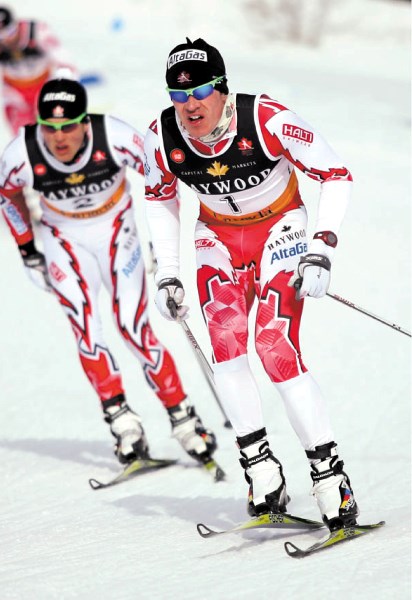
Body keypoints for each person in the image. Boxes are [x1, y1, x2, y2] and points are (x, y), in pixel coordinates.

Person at [143, 37, 359, 531]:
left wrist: (321, 247)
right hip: (216, 234)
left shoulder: (265, 119)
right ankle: (262, 473)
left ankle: (331, 481)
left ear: (221, 87)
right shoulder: (161, 136)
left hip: (281, 227)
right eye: (178, 95)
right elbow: (159, 198)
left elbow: (337, 174)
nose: (189, 104)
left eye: (199, 91)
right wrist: (170, 271)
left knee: (274, 348)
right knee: (227, 350)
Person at [0, 75, 218, 469]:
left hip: (118, 234)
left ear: (85, 121)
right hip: (64, 241)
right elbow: (6, 194)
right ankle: (123, 422)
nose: (60, 138)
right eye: (50, 128)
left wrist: (157, 240)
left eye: (69, 126)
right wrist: (29, 251)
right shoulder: (21, 153)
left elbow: (159, 175)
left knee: (134, 329)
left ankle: (183, 418)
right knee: (85, 330)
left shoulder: (114, 135)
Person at [0, 6, 76, 135]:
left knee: (53, 131)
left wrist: (65, 91)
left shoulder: (37, 31)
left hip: (43, 86)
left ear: (16, 25)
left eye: (10, 32)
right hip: (14, 91)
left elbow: (65, 62)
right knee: (23, 135)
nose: (6, 40)